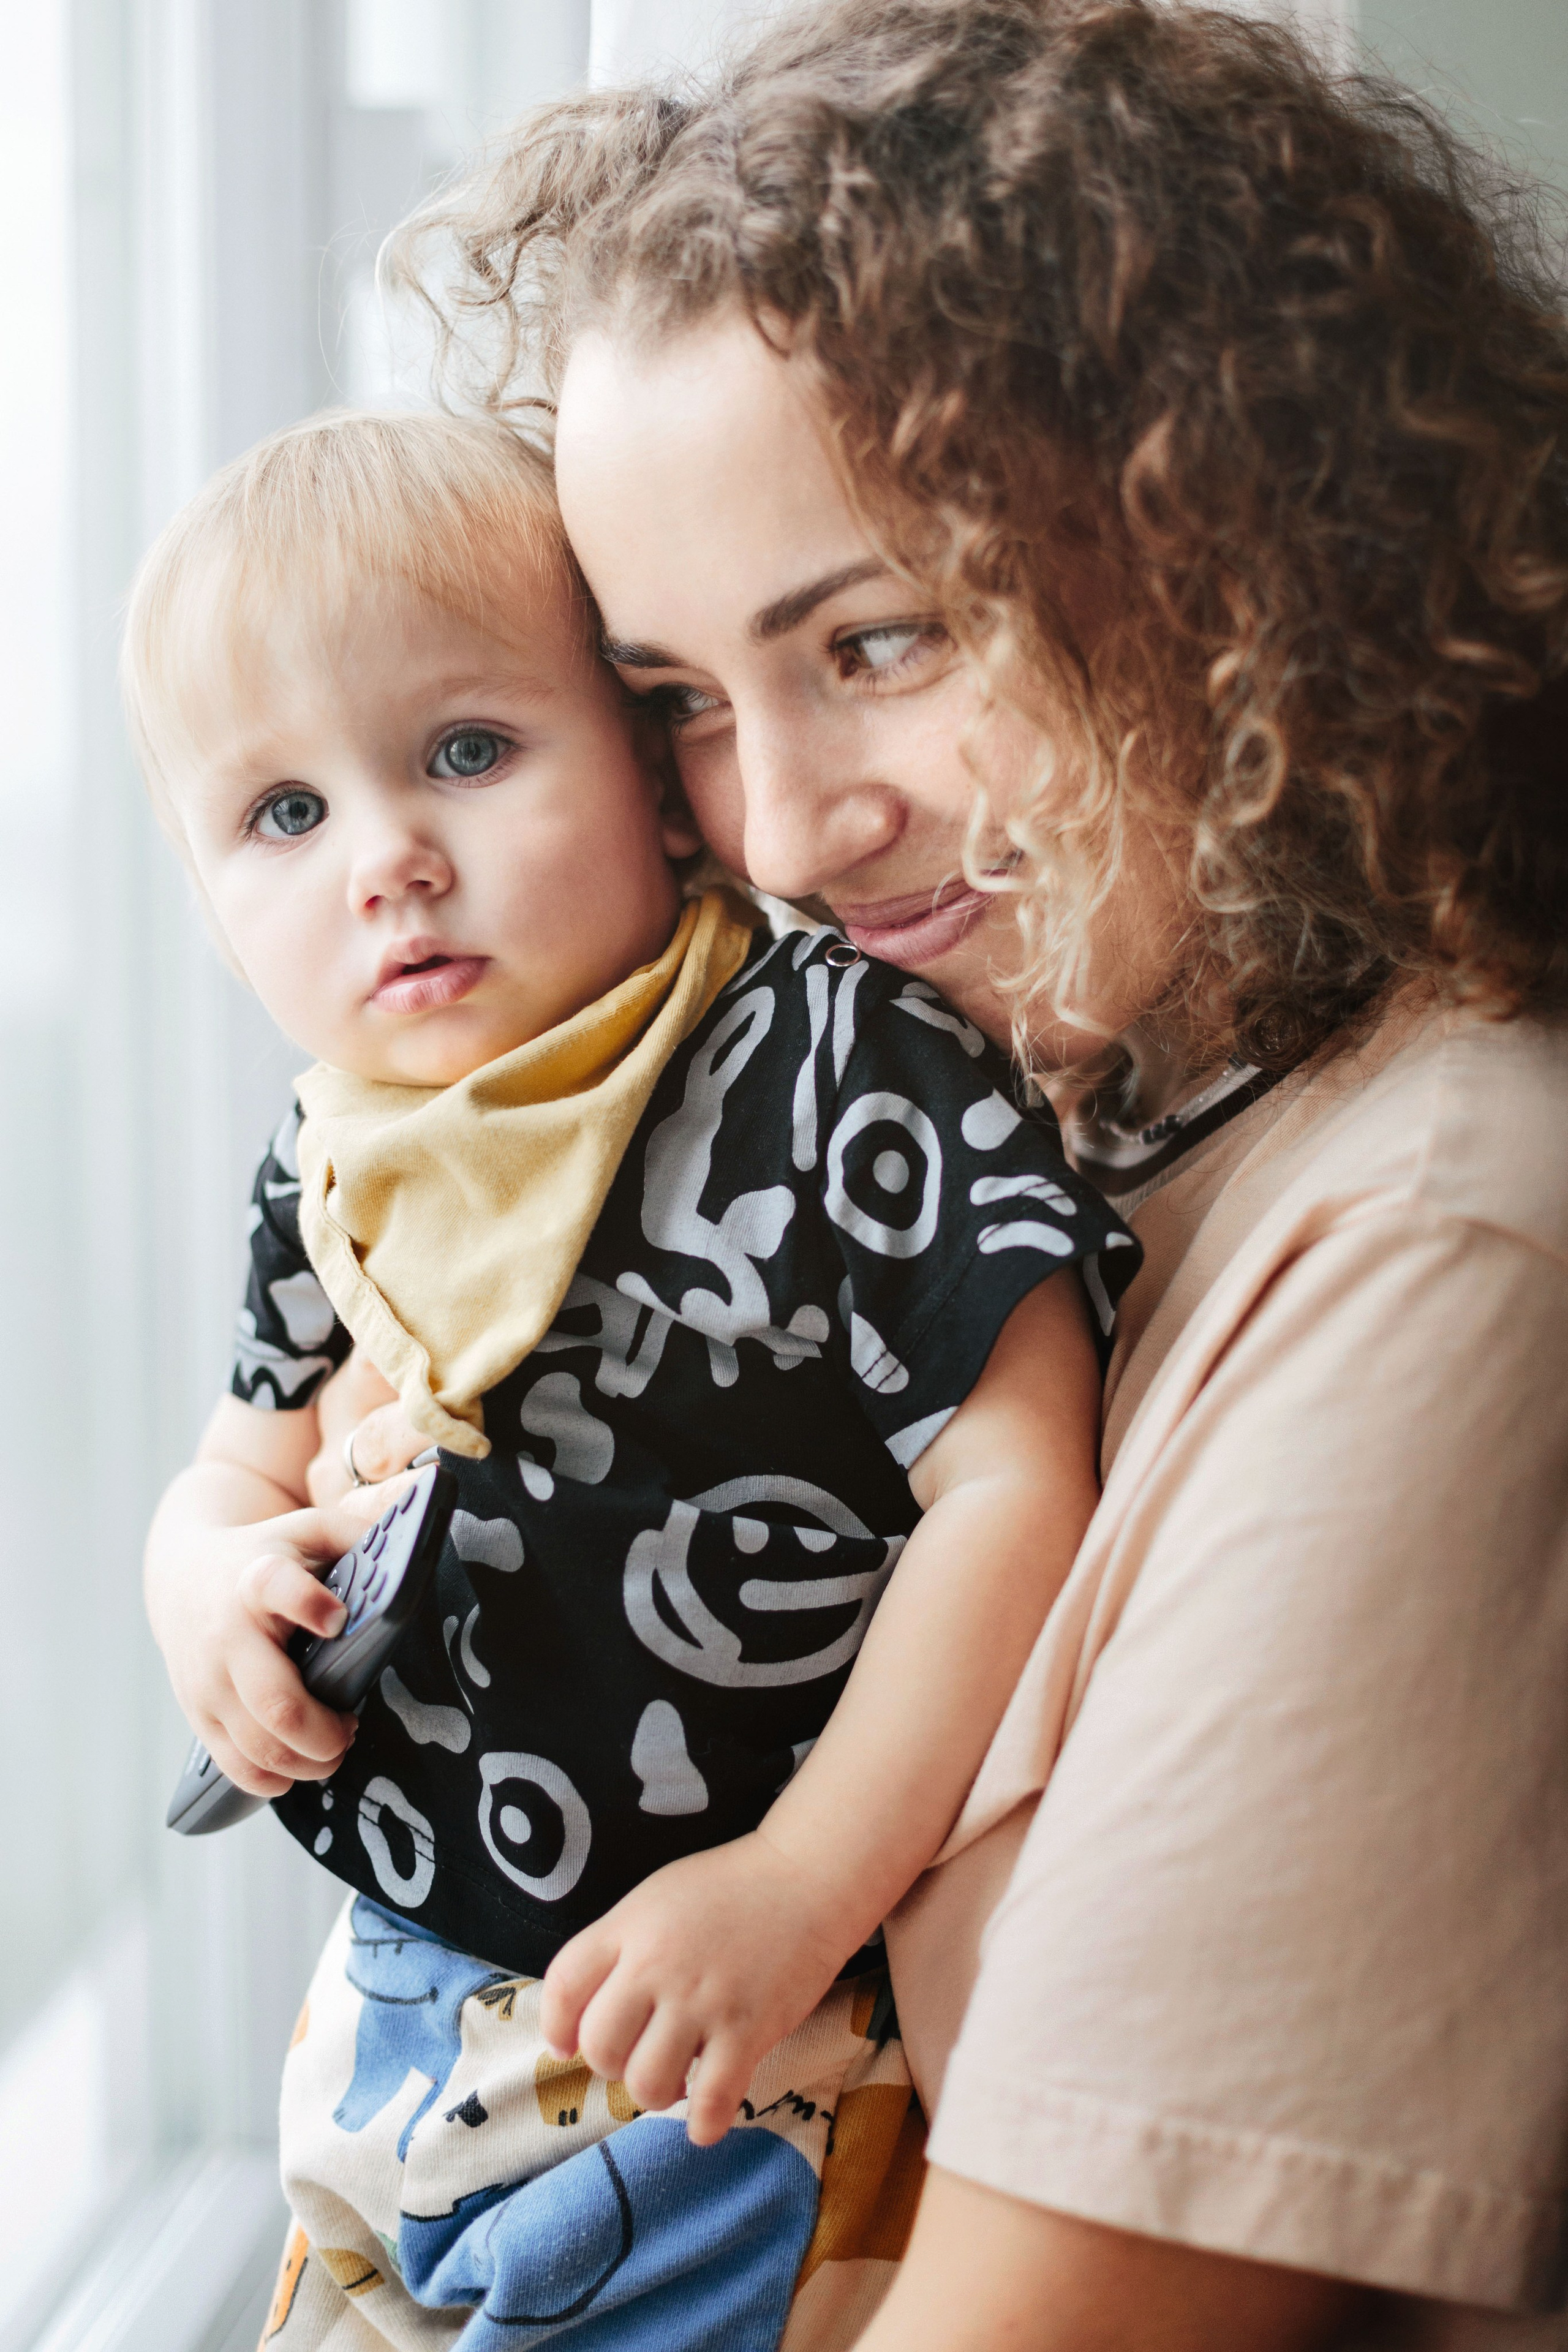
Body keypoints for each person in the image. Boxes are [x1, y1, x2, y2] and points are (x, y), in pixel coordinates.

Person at [305, 0, 1568, 2343]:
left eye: (875, 641)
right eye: (677, 695)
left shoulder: (1444, 1242)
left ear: (1240, 552)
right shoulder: (1057, 1102)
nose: (780, 832)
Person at [127, 406, 1139, 2349]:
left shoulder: (836, 1061)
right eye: (284, 815)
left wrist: (802, 1882)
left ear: (661, 779)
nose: (390, 862)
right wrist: (200, 1582)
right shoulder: (338, 1147)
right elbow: (230, 1467)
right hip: (391, 2010)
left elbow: (1019, 1488)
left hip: (727, 2033)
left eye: (468, 753)